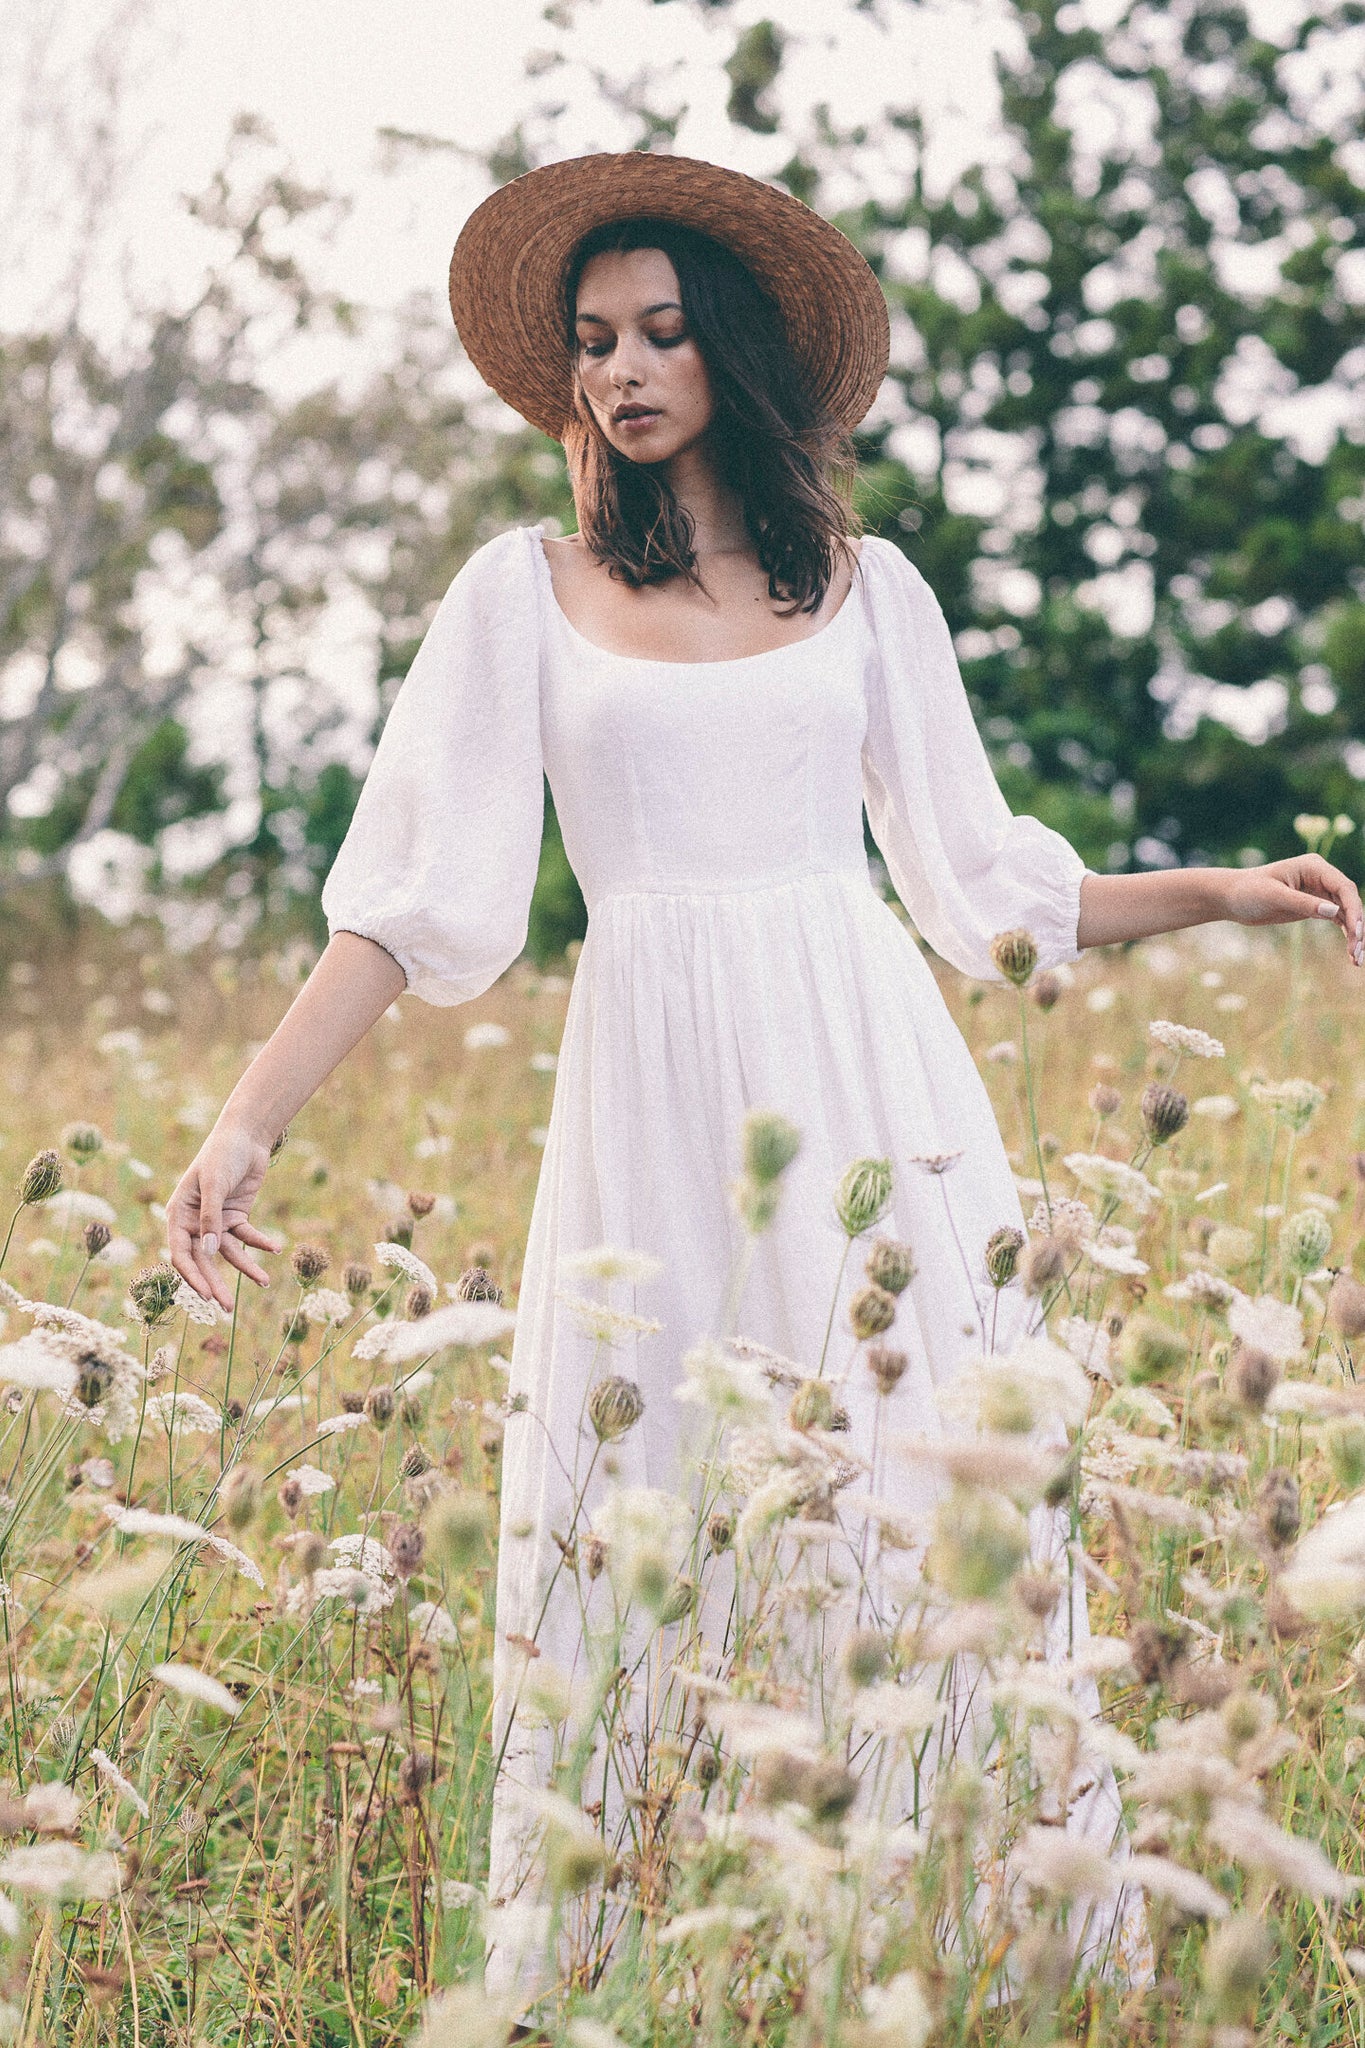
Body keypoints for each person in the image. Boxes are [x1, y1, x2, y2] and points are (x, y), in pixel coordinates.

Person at [168, 152, 1363, 2013]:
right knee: (653, 1501)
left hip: (869, 1083)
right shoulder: (523, 593)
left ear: (731, 350)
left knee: (915, 1495)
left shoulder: (869, 593)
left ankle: (968, 1938)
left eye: (658, 332)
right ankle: (674, 1949)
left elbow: (983, 889)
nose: (621, 371)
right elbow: (402, 906)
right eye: (591, 343)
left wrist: (1227, 891)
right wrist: (244, 1128)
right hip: (650, 1104)